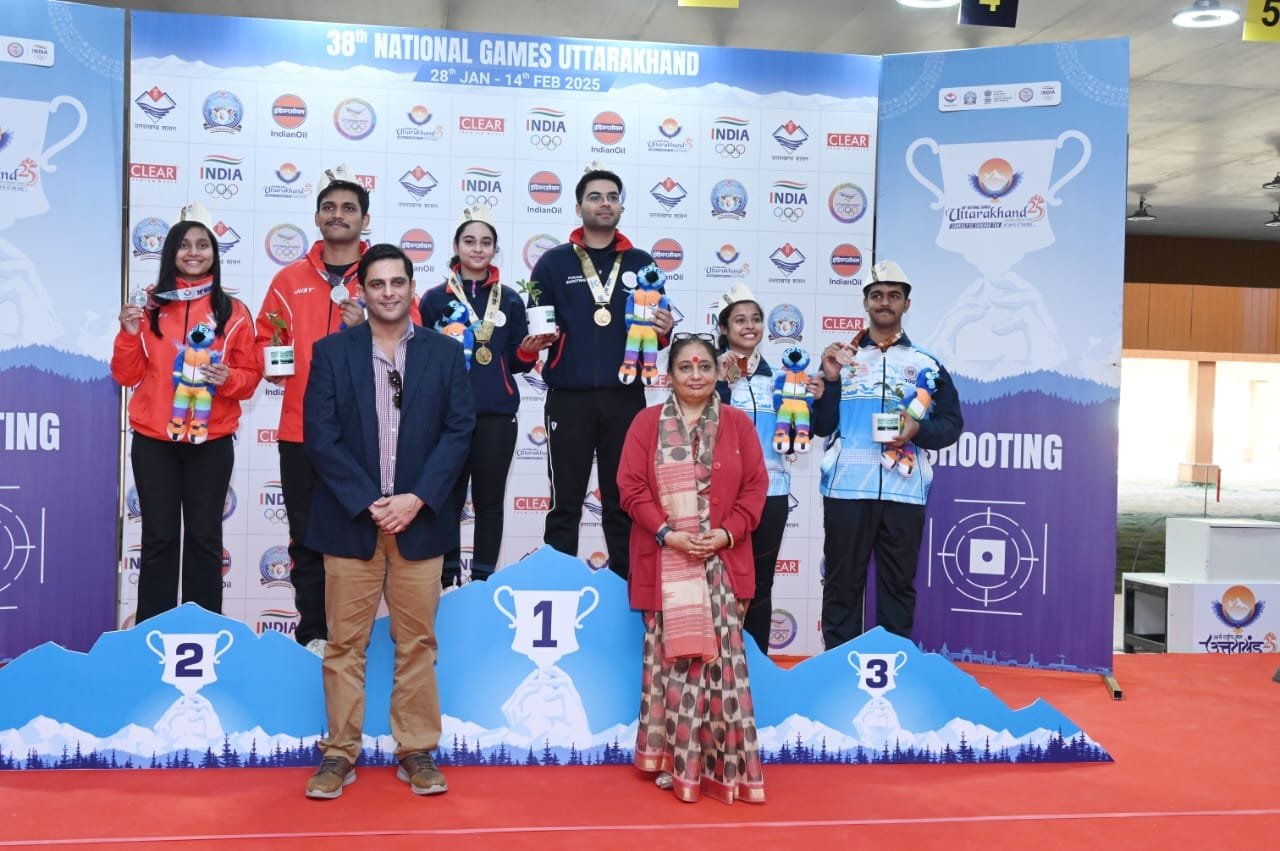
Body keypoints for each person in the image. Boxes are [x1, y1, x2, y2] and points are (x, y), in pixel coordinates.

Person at [302, 243, 474, 800]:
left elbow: (459, 432)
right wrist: (370, 501)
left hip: (419, 523)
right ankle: (339, 753)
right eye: (377, 284)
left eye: (397, 282)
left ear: (411, 287)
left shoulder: (444, 354)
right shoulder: (332, 352)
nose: (388, 293)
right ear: (363, 291)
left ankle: (416, 749)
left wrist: (415, 499)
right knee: (344, 644)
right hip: (350, 521)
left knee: (417, 642)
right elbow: (320, 436)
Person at [255, 166, 419, 656]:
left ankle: (362, 639)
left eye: (349, 208)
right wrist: (274, 360)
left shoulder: (381, 277)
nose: (338, 215)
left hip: (370, 435)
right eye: (329, 207)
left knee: (369, 541)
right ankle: (313, 636)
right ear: (316, 217)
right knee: (306, 538)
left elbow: (416, 344)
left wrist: (366, 323)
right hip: (302, 431)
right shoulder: (288, 279)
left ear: (365, 220)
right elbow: (264, 340)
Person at [618, 333, 768, 805]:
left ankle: (721, 768)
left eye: (705, 366)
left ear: (719, 372)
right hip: (666, 562)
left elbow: (755, 489)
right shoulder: (646, 424)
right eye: (686, 367)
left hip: (723, 562)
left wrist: (725, 535)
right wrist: (668, 533)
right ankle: (676, 763)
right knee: (673, 670)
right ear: (670, 375)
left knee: (720, 671)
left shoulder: (739, 424)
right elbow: (630, 488)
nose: (696, 375)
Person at [112, 203, 262, 621]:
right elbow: (127, 375)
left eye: (202, 244)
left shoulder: (233, 312)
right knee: (159, 539)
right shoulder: (148, 307)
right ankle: (152, 631)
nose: (193, 252)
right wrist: (128, 334)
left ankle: (203, 631)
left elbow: (250, 377)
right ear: (170, 253)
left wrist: (226, 378)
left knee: (204, 539)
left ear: (214, 252)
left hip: (210, 442)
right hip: (154, 442)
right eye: (184, 245)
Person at [525, 168, 673, 579]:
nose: (604, 203)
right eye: (595, 196)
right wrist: (538, 338)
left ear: (621, 206)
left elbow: (656, 332)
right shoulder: (553, 263)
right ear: (579, 207)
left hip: (625, 397)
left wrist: (664, 330)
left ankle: (626, 594)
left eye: (612, 196)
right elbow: (535, 322)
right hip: (568, 398)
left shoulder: (642, 263)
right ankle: (557, 587)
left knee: (624, 500)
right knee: (565, 502)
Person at [812, 260, 963, 647]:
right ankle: (839, 667)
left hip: (904, 491)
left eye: (894, 296)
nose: (885, 302)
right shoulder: (841, 359)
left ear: (906, 305)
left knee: (897, 586)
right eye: (877, 295)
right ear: (865, 302)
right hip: (846, 489)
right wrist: (830, 381)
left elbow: (951, 425)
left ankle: (892, 668)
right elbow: (822, 426)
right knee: (842, 585)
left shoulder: (927, 364)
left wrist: (919, 430)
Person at [419, 206, 555, 587]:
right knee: (444, 499)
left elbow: (515, 361)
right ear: (456, 246)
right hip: (445, 418)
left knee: (489, 502)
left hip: (496, 416)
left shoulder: (509, 299)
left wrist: (528, 351)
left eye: (485, 242)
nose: (477, 249)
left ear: (495, 249)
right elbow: (421, 360)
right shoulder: (433, 300)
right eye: (469, 241)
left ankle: (482, 581)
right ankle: (446, 580)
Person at [713, 284, 824, 654]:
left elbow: (801, 432)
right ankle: (715, 664)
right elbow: (700, 428)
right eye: (740, 320)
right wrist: (720, 384)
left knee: (760, 585)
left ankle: (754, 665)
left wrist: (813, 401)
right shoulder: (707, 374)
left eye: (756, 319)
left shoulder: (781, 378)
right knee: (717, 581)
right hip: (722, 496)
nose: (750, 326)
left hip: (771, 493)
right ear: (724, 328)